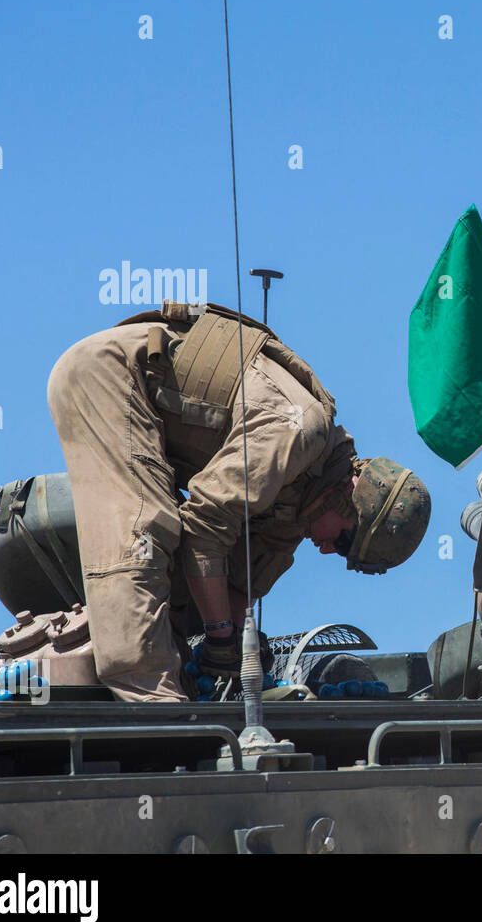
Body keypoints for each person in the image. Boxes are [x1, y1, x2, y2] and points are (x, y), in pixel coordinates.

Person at [46, 299, 431, 702]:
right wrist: (221, 636)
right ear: (350, 497)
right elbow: (203, 529)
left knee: (177, 575)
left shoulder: (298, 508)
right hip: (110, 377)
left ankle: (178, 692)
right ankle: (153, 705)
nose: (328, 550)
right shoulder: (299, 432)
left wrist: (234, 650)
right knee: (143, 533)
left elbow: (237, 584)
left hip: (154, 414)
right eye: (345, 542)